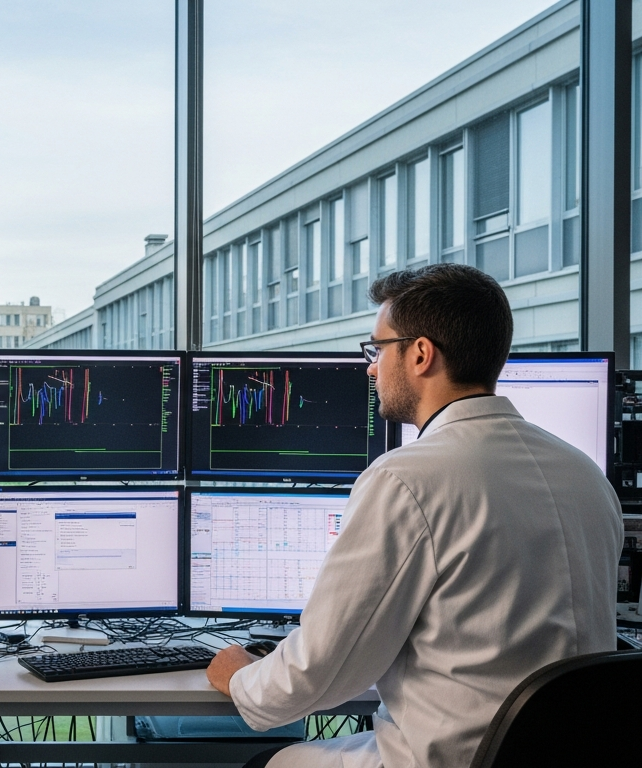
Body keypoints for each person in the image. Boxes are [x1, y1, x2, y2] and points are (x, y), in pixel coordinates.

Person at [204, 264, 622, 768]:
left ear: (421, 354)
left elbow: (312, 675)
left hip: (443, 759)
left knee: (266, 762)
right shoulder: (585, 474)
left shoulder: (407, 479)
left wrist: (238, 674)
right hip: (564, 757)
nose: (370, 368)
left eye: (377, 349)